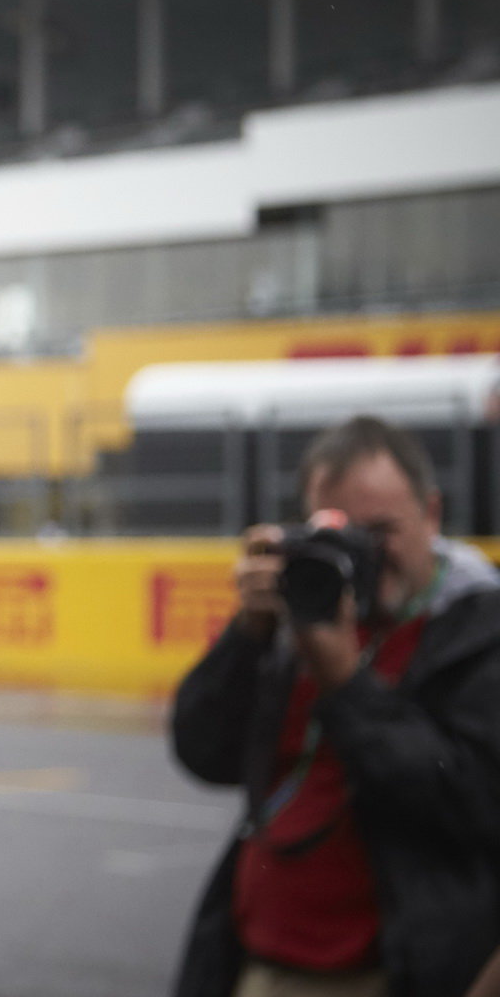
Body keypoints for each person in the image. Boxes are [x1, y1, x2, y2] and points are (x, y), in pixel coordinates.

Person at [169, 415, 500, 997]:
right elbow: (202, 752)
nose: (364, 558)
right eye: (342, 537)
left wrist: (344, 679)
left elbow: (466, 800)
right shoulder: (298, 614)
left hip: (391, 971)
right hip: (256, 960)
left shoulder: (478, 632)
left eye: (381, 532)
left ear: (431, 514)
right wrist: (247, 634)